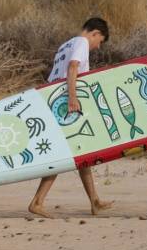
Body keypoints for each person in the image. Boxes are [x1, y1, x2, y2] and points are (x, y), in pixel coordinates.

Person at [29, 17, 114, 218]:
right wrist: (72, 98)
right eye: (99, 41)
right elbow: (73, 67)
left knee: (82, 153)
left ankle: (95, 202)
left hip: (53, 101)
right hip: (66, 105)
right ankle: (37, 202)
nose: (97, 47)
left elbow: (53, 77)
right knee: (64, 155)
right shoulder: (82, 43)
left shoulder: (65, 45)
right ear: (94, 33)